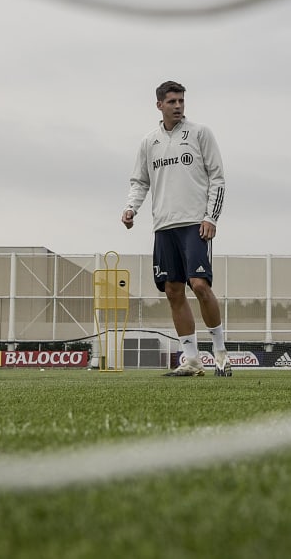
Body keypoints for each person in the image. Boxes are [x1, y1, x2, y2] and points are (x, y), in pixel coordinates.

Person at [122, 81, 231, 377]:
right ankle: (192, 360)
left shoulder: (199, 133)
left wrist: (211, 217)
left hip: (194, 224)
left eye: (181, 100)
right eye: (172, 101)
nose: (178, 106)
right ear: (159, 105)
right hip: (163, 226)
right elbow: (140, 181)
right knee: (173, 291)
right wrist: (132, 207)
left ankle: (220, 351)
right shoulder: (149, 142)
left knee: (199, 285)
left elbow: (217, 178)